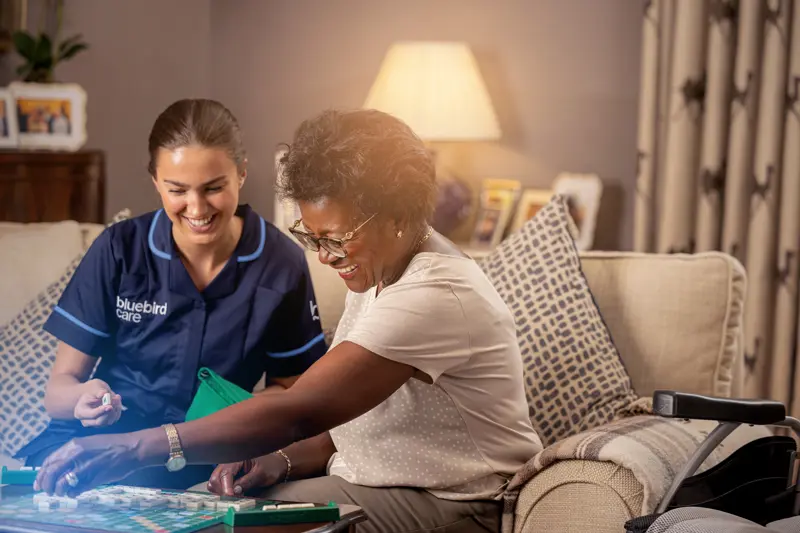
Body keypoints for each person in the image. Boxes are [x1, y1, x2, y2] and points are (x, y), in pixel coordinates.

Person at [33, 109, 542, 533]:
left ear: (399, 217)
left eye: (335, 238)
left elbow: (301, 408)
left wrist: (136, 446)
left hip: (452, 501)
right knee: (195, 509)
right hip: (370, 480)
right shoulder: (382, 267)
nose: (323, 256)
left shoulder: (432, 293)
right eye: (312, 237)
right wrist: (279, 460)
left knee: (207, 526)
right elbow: (351, 419)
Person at [16, 98, 327, 489]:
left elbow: (293, 392)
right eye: (177, 190)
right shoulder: (119, 249)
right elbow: (58, 391)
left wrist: (236, 422)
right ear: (155, 181)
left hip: (205, 455)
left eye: (214, 188)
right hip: (98, 445)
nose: (197, 208)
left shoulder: (281, 262)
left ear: (242, 174)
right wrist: (83, 399)